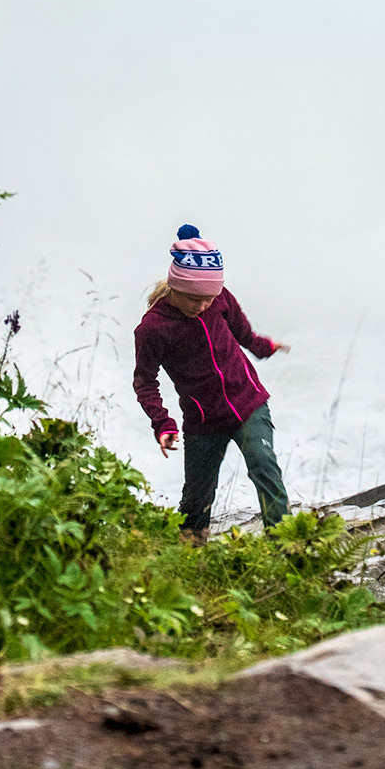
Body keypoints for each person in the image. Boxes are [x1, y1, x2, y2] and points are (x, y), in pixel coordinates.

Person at [133, 225, 290, 544]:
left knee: (265, 468)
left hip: (249, 403)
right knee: (196, 498)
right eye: (194, 299)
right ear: (175, 287)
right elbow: (145, 382)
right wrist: (163, 424)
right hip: (203, 422)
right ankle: (191, 556)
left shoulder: (220, 298)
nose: (203, 305)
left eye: (209, 298)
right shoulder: (152, 329)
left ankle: (286, 547)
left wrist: (265, 347)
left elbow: (243, 333)